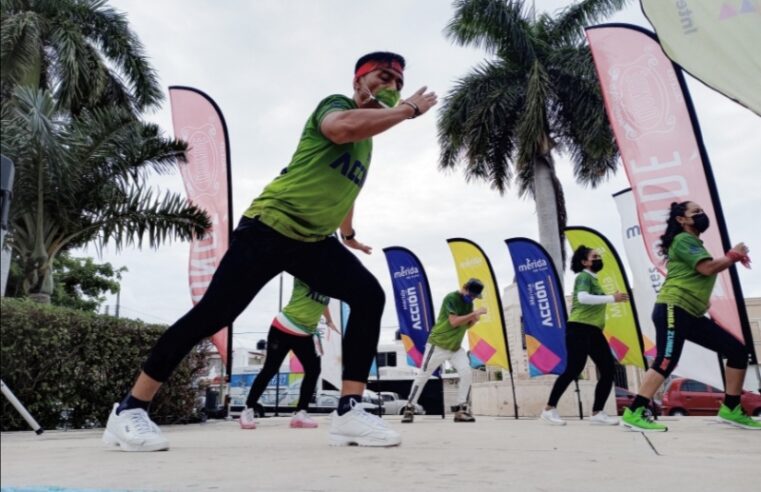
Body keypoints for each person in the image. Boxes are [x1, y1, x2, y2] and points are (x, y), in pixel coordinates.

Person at [102, 51, 438, 451]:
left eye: (398, 83)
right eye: (384, 77)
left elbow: (345, 189)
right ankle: (130, 409)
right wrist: (405, 111)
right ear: (359, 81)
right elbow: (340, 129)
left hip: (312, 241)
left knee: (368, 295)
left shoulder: (368, 143)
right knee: (214, 315)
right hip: (269, 228)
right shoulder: (336, 106)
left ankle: (349, 410)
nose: (393, 87)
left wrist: (348, 233)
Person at [621, 201, 758, 432]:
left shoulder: (693, 242)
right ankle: (634, 411)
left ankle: (731, 409)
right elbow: (707, 268)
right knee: (666, 360)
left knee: (737, 351)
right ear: (681, 220)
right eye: (695, 212)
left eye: (702, 211)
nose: (701, 215)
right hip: (673, 308)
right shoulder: (683, 240)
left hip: (689, 313)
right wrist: (733, 255)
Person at [540, 245, 629, 426]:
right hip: (579, 328)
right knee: (574, 369)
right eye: (594, 256)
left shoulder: (595, 280)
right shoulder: (583, 276)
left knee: (608, 369)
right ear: (584, 262)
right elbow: (582, 298)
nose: (598, 259)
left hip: (594, 330)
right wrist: (612, 298)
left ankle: (597, 413)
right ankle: (549, 410)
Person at [239, 277, 339, 430]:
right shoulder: (303, 270)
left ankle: (300, 413)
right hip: (282, 328)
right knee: (270, 369)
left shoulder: (329, 280)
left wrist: (329, 320)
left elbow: (323, 301)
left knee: (313, 370)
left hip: (306, 334)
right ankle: (248, 410)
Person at [401, 279, 487, 424]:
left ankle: (462, 409)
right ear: (464, 288)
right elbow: (453, 322)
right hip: (438, 345)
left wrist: (475, 319)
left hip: (455, 347)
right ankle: (409, 407)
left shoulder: (469, 304)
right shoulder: (451, 298)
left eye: (474, 296)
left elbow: (465, 325)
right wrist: (474, 314)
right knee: (424, 375)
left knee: (466, 372)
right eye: (471, 294)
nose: (472, 298)